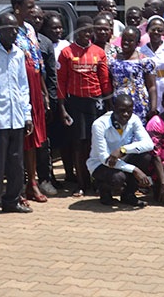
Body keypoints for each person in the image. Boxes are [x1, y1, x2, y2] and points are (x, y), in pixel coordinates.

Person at [0, 13, 34, 217]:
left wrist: (27, 114)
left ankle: (12, 200)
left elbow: (23, 86)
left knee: (16, 163)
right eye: (9, 29)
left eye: (16, 29)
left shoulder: (19, 53)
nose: (13, 32)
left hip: (17, 116)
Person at [57, 16, 111, 197]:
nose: (86, 34)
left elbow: (104, 82)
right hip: (75, 104)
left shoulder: (99, 52)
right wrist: (62, 108)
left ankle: (96, 180)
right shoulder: (66, 53)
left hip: (96, 104)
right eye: (82, 31)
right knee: (79, 145)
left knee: (96, 143)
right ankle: (81, 183)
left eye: (89, 31)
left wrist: (109, 107)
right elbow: (61, 82)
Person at [10, 0, 49, 203]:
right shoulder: (7, 30)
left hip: (34, 86)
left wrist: (44, 93)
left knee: (34, 139)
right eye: (29, 6)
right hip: (17, 88)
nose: (33, 9)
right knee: (20, 139)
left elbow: (38, 64)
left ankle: (32, 183)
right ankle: (17, 185)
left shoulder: (30, 30)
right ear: (17, 8)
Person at [88, 94, 155, 208]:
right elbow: (105, 158)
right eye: (122, 111)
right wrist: (134, 170)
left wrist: (123, 150)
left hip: (121, 158)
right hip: (100, 164)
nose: (126, 115)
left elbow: (149, 144)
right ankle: (104, 191)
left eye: (129, 111)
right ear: (113, 108)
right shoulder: (99, 124)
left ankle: (128, 195)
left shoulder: (134, 119)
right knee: (118, 178)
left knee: (146, 157)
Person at [41, 11, 74, 186]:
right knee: (48, 141)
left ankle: (69, 174)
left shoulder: (66, 46)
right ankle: (48, 176)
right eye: (53, 28)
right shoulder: (41, 45)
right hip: (47, 98)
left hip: (64, 98)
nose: (58, 31)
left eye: (60, 27)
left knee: (65, 139)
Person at [30, 7, 59, 196]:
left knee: (43, 143)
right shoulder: (19, 39)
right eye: (35, 17)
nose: (38, 21)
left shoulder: (46, 43)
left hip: (42, 99)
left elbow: (51, 75)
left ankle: (45, 178)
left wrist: (51, 99)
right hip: (23, 97)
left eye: (41, 18)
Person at [110, 27, 158, 120]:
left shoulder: (144, 61)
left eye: (130, 40)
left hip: (138, 103)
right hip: (118, 103)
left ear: (137, 43)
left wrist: (153, 108)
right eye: (124, 39)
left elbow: (152, 86)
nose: (126, 42)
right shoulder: (113, 59)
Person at [141, 16, 164, 112]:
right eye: (153, 29)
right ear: (147, 30)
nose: (156, 32)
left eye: (159, 30)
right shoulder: (140, 50)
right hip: (147, 86)